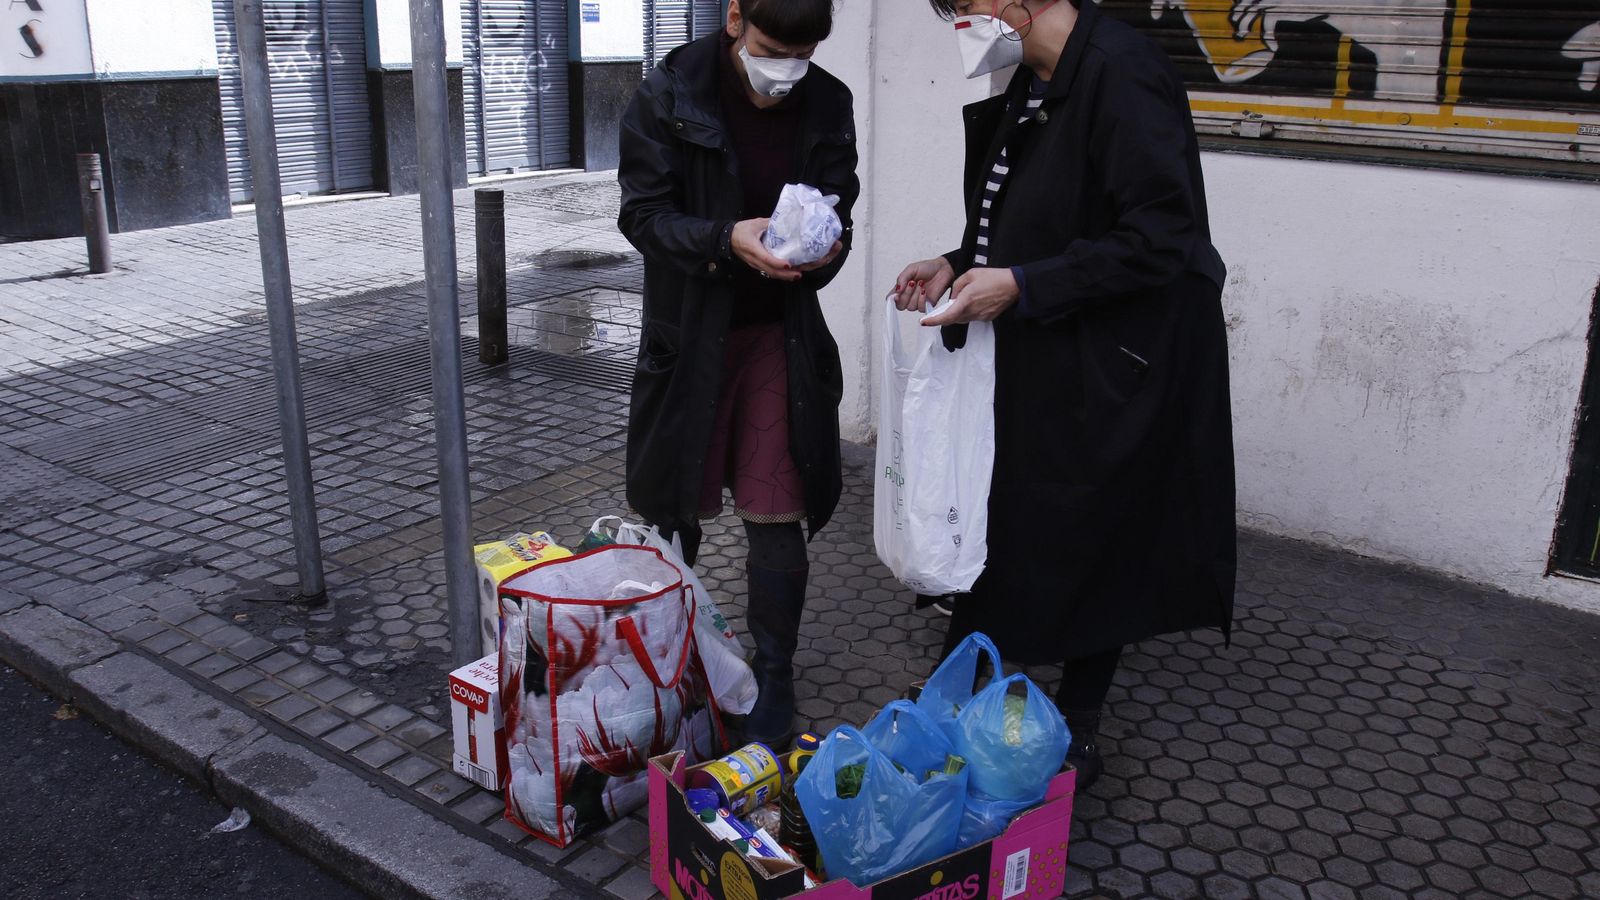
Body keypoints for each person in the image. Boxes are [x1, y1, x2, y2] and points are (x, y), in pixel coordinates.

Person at [893, 0, 1236, 791]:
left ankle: (1078, 726)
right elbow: (1033, 216)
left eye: (968, 5)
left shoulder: (1123, 73)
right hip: (1046, 343)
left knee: (1097, 534)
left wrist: (1021, 283)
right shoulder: (1034, 77)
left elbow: (1159, 237)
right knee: (1003, 514)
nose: (960, 24)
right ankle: (960, 692)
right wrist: (958, 260)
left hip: (1118, 359)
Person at [617, 0, 859, 747]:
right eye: (769, 48)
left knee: (777, 510)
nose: (785, 70)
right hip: (690, 337)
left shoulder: (830, 100)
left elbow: (838, 201)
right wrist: (726, 238)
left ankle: (775, 672)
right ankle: (664, 660)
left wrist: (827, 248)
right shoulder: (670, 92)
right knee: (672, 511)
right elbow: (643, 216)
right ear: (733, 19)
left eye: (803, 52)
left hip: (774, 337)